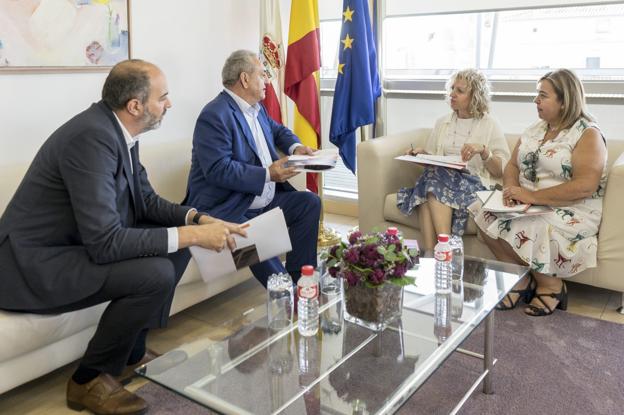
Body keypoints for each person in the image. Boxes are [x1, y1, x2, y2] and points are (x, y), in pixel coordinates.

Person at [0, 59, 247, 415]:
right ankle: (89, 380)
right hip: (33, 265)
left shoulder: (118, 132)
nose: (170, 104)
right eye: (163, 97)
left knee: (179, 247)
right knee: (156, 272)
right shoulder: (91, 138)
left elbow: (144, 200)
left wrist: (198, 218)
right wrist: (191, 233)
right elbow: (105, 242)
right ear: (135, 105)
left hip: (74, 247)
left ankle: (131, 353)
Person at [470, 68, 608, 316]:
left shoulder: (587, 134)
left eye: (543, 95)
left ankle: (550, 284)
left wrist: (532, 197)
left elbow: (585, 185)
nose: (536, 100)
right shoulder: (536, 129)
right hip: (529, 201)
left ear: (564, 101)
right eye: (537, 94)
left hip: (570, 208)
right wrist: (511, 189)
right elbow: (512, 165)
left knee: (531, 223)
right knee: (482, 210)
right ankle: (521, 279)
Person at [185, 49, 321, 286]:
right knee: (257, 242)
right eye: (261, 74)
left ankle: (301, 281)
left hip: (263, 202)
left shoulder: (257, 109)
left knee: (309, 203)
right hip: (230, 207)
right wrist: (269, 173)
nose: (267, 80)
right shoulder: (214, 115)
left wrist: (296, 147)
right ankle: (285, 292)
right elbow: (218, 169)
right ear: (244, 79)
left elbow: (277, 130)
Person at [397, 69, 510, 251]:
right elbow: (434, 159)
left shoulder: (489, 124)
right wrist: (421, 154)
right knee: (432, 181)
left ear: (475, 96)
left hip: (473, 184)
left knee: (429, 186)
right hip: (440, 180)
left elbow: (501, 170)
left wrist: (483, 151)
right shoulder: (442, 122)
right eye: (452, 89)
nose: (453, 94)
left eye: (460, 91)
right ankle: (442, 253)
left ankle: (437, 252)